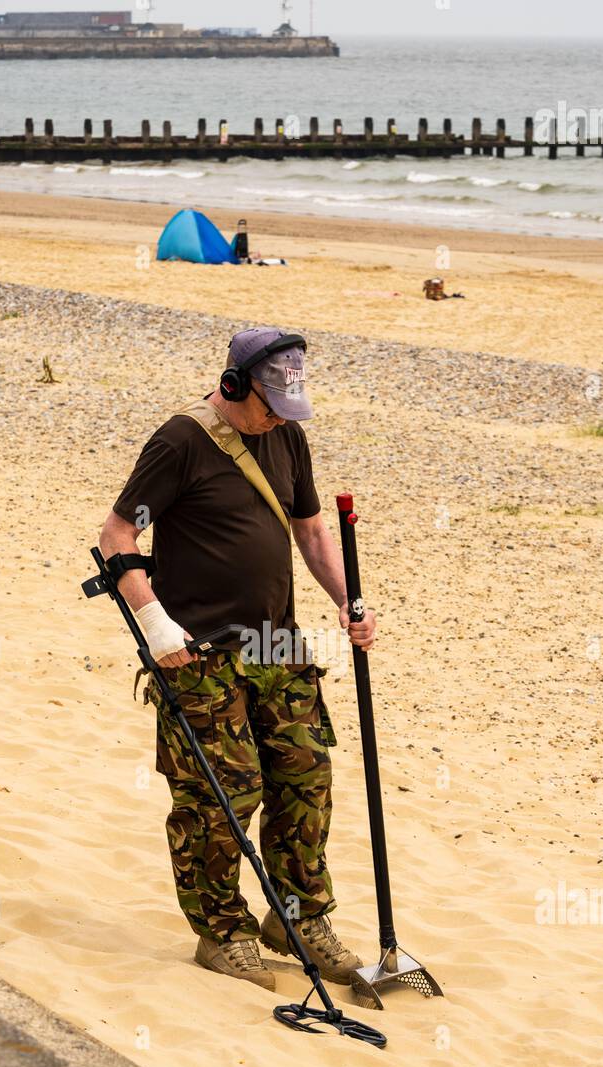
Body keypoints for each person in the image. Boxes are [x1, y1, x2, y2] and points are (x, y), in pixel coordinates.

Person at [99, 327, 376, 991]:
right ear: (232, 386)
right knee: (225, 791)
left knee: (304, 772)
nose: (279, 417)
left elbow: (310, 529)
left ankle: (298, 916)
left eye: (289, 406)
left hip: (277, 643)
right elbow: (117, 536)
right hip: (197, 653)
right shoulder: (180, 441)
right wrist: (156, 627)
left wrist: (349, 602)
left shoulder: (287, 435)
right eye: (269, 405)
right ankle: (222, 931)